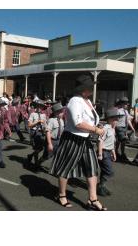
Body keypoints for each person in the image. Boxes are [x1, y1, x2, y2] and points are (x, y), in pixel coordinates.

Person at [50, 74, 107, 210]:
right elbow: (78, 123)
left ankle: (92, 199)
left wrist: (98, 126)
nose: (93, 88)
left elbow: (90, 119)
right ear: (83, 88)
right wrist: (95, 129)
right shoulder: (75, 100)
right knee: (66, 168)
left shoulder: (86, 100)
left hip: (85, 139)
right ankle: (62, 195)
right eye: (90, 87)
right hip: (73, 138)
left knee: (92, 168)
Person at [97, 108, 122, 196]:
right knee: (109, 171)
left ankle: (101, 187)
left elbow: (111, 143)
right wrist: (100, 154)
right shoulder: (105, 128)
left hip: (108, 152)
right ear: (110, 119)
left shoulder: (112, 129)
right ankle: (100, 186)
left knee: (104, 171)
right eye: (116, 119)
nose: (117, 120)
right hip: (103, 152)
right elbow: (100, 141)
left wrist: (114, 153)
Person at [27, 100, 47, 168]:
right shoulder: (33, 114)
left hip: (41, 132)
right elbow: (29, 125)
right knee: (36, 148)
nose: (39, 108)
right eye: (38, 106)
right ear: (36, 107)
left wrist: (45, 129)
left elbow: (45, 124)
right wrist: (37, 122)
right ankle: (36, 163)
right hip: (34, 132)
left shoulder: (44, 115)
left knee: (41, 148)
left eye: (41, 107)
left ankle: (30, 155)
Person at [115, 97, 135, 163]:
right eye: (126, 104)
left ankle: (120, 153)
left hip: (124, 128)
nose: (127, 105)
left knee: (121, 142)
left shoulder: (126, 111)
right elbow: (115, 120)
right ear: (122, 104)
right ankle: (118, 153)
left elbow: (128, 120)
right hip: (119, 128)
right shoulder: (118, 110)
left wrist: (132, 128)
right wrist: (113, 128)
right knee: (122, 141)